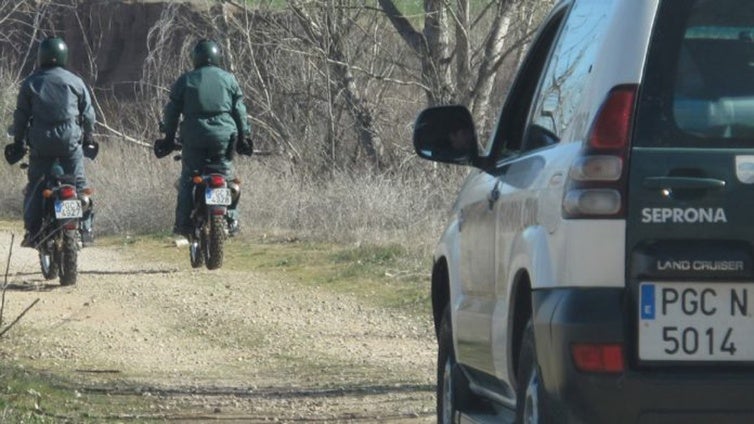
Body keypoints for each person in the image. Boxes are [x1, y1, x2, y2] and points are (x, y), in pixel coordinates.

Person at [156, 39, 252, 237]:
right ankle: (231, 218)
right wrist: (245, 137)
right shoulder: (229, 80)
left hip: (194, 138)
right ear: (218, 57)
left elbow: (172, 113)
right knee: (227, 176)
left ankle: (184, 225)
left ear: (196, 59)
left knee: (189, 180)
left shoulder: (186, 80)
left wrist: (167, 139)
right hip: (225, 139)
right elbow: (240, 111)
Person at [8, 36, 97, 248]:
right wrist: (89, 137)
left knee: (36, 187)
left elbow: (21, 117)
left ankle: (33, 231)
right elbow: (88, 113)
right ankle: (85, 228)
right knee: (78, 184)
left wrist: (19, 142)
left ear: (41, 56)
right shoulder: (75, 81)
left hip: (41, 146)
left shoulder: (31, 83)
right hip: (70, 144)